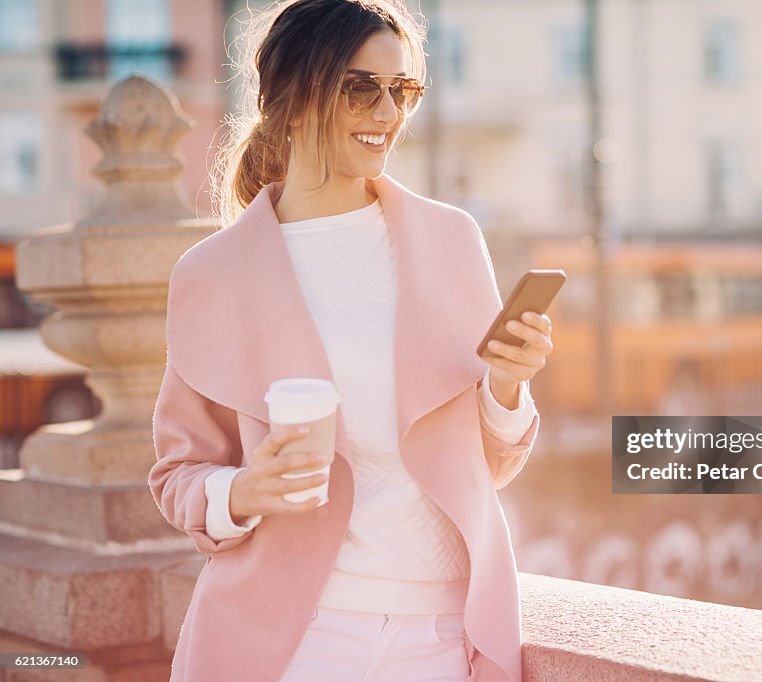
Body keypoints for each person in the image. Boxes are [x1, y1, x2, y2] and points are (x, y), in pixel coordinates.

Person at [147, 1, 553, 680]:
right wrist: (247, 489)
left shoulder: (451, 242)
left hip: (442, 632)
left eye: (402, 90)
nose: (389, 114)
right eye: (361, 87)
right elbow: (177, 474)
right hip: (291, 640)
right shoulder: (213, 275)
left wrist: (507, 387)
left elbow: (489, 467)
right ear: (295, 97)